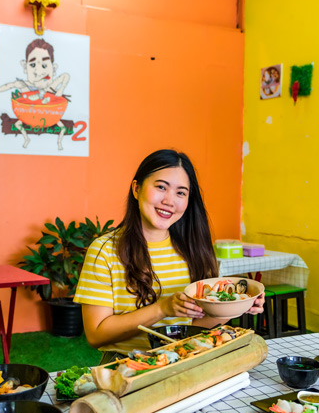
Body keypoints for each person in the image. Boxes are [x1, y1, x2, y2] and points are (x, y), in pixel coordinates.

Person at [74, 149, 265, 361]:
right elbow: (96, 334)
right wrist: (162, 309)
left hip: (182, 358)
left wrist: (237, 305)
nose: (169, 200)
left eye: (180, 193)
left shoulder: (192, 249)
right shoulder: (104, 251)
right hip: (126, 364)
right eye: (161, 187)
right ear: (136, 189)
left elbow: (194, 326)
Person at [0, 38, 71, 149]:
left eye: (44, 66)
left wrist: (61, 90)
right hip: (28, 116)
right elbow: (6, 87)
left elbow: (66, 76)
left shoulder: (50, 88)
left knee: (63, 128)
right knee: (17, 124)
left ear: (53, 68)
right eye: (32, 65)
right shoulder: (24, 87)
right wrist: (8, 86)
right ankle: (26, 139)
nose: (38, 72)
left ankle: (59, 143)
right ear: (25, 67)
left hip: (51, 117)